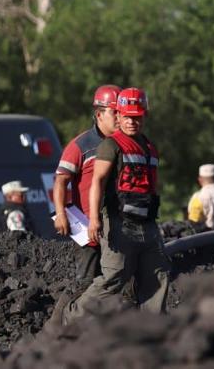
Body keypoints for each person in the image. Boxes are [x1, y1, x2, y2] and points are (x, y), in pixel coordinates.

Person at [63, 87, 170, 323]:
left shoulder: (150, 147)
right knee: (114, 276)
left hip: (147, 223)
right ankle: (72, 320)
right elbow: (97, 182)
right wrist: (94, 220)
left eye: (138, 116)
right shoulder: (111, 145)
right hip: (119, 222)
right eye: (128, 116)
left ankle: (152, 332)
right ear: (119, 116)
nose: (133, 121)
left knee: (158, 273)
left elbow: (153, 185)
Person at [53, 84, 121, 282]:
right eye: (114, 112)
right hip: (89, 230)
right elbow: (60, 181)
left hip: (118, 227)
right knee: (87, 282)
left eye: (121, 112)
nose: (119, 118)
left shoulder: (125, 144)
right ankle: (72, 313)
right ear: (99, 114)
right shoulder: (80, 145)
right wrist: (60, 214)